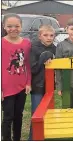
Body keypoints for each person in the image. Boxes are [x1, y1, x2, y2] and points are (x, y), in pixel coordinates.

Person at [1, 13, 32, 141]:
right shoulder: (1, 43)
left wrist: (28, 83)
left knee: (18, 115)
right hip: (6, 88)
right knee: (8, 117)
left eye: (16, 26)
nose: (13, 29)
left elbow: (28, 64)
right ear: (3, 26)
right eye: (9, 26)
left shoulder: (27, 43)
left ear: (21, 26)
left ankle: (17, 138)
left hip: (21, 87)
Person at [28, 25, 56, 140]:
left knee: (48, 113)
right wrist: (43, 58)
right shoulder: (33, 48)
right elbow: (33, 68)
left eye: (51, 35)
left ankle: (46, 137)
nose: (49, 38)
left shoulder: (54, 48)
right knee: (37, 114)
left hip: (49, 86)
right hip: (37, 86)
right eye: (45, 35)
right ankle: (33, 138)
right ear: (40, 36)